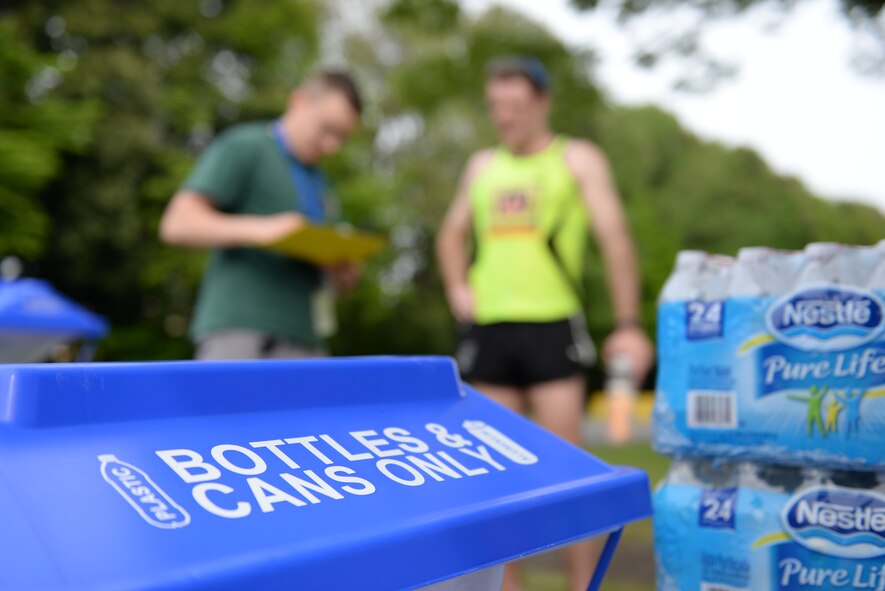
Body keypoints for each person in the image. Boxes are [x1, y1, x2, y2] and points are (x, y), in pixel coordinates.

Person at [435, 57, 654, 591]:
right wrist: (457, 287)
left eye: (514, 105)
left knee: (566, 484)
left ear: (541, 103)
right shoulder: (482, 165)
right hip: (489, 334)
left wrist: (627, 323)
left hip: (551, 327)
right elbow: (450, 235)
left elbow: (615, 238)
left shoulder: (575, 158)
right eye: (495, 107)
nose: (503, 116)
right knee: (495, 486)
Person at [160, 71, 362, 360]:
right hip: (240, 333)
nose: (332, 145)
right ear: (300, 102)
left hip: (306, 341)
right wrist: (263, 230)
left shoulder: (323, 185)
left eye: (341, 137)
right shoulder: (246, 146)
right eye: (326, 129)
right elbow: (176, 224)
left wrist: (341, 271)